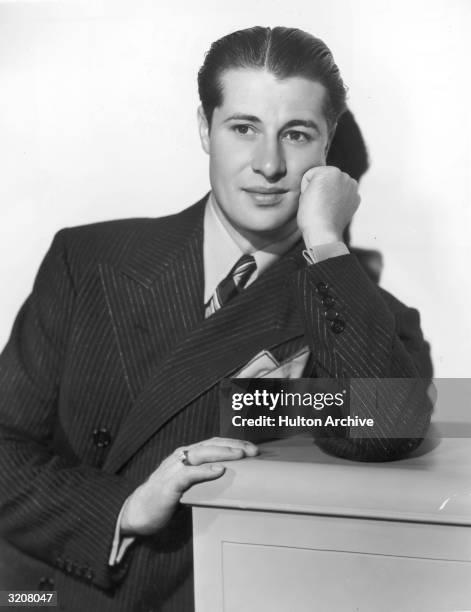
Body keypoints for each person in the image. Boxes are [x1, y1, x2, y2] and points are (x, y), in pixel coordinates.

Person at [0, 26, 432, 612]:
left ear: (326, 149)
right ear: (206, 129)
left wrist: (325, 242)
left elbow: (388, 428)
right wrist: (124, 508)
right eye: (244, 128)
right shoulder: (89, 262)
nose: (270, 164)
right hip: (46, 592)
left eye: (297, 134)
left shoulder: (366, 313)